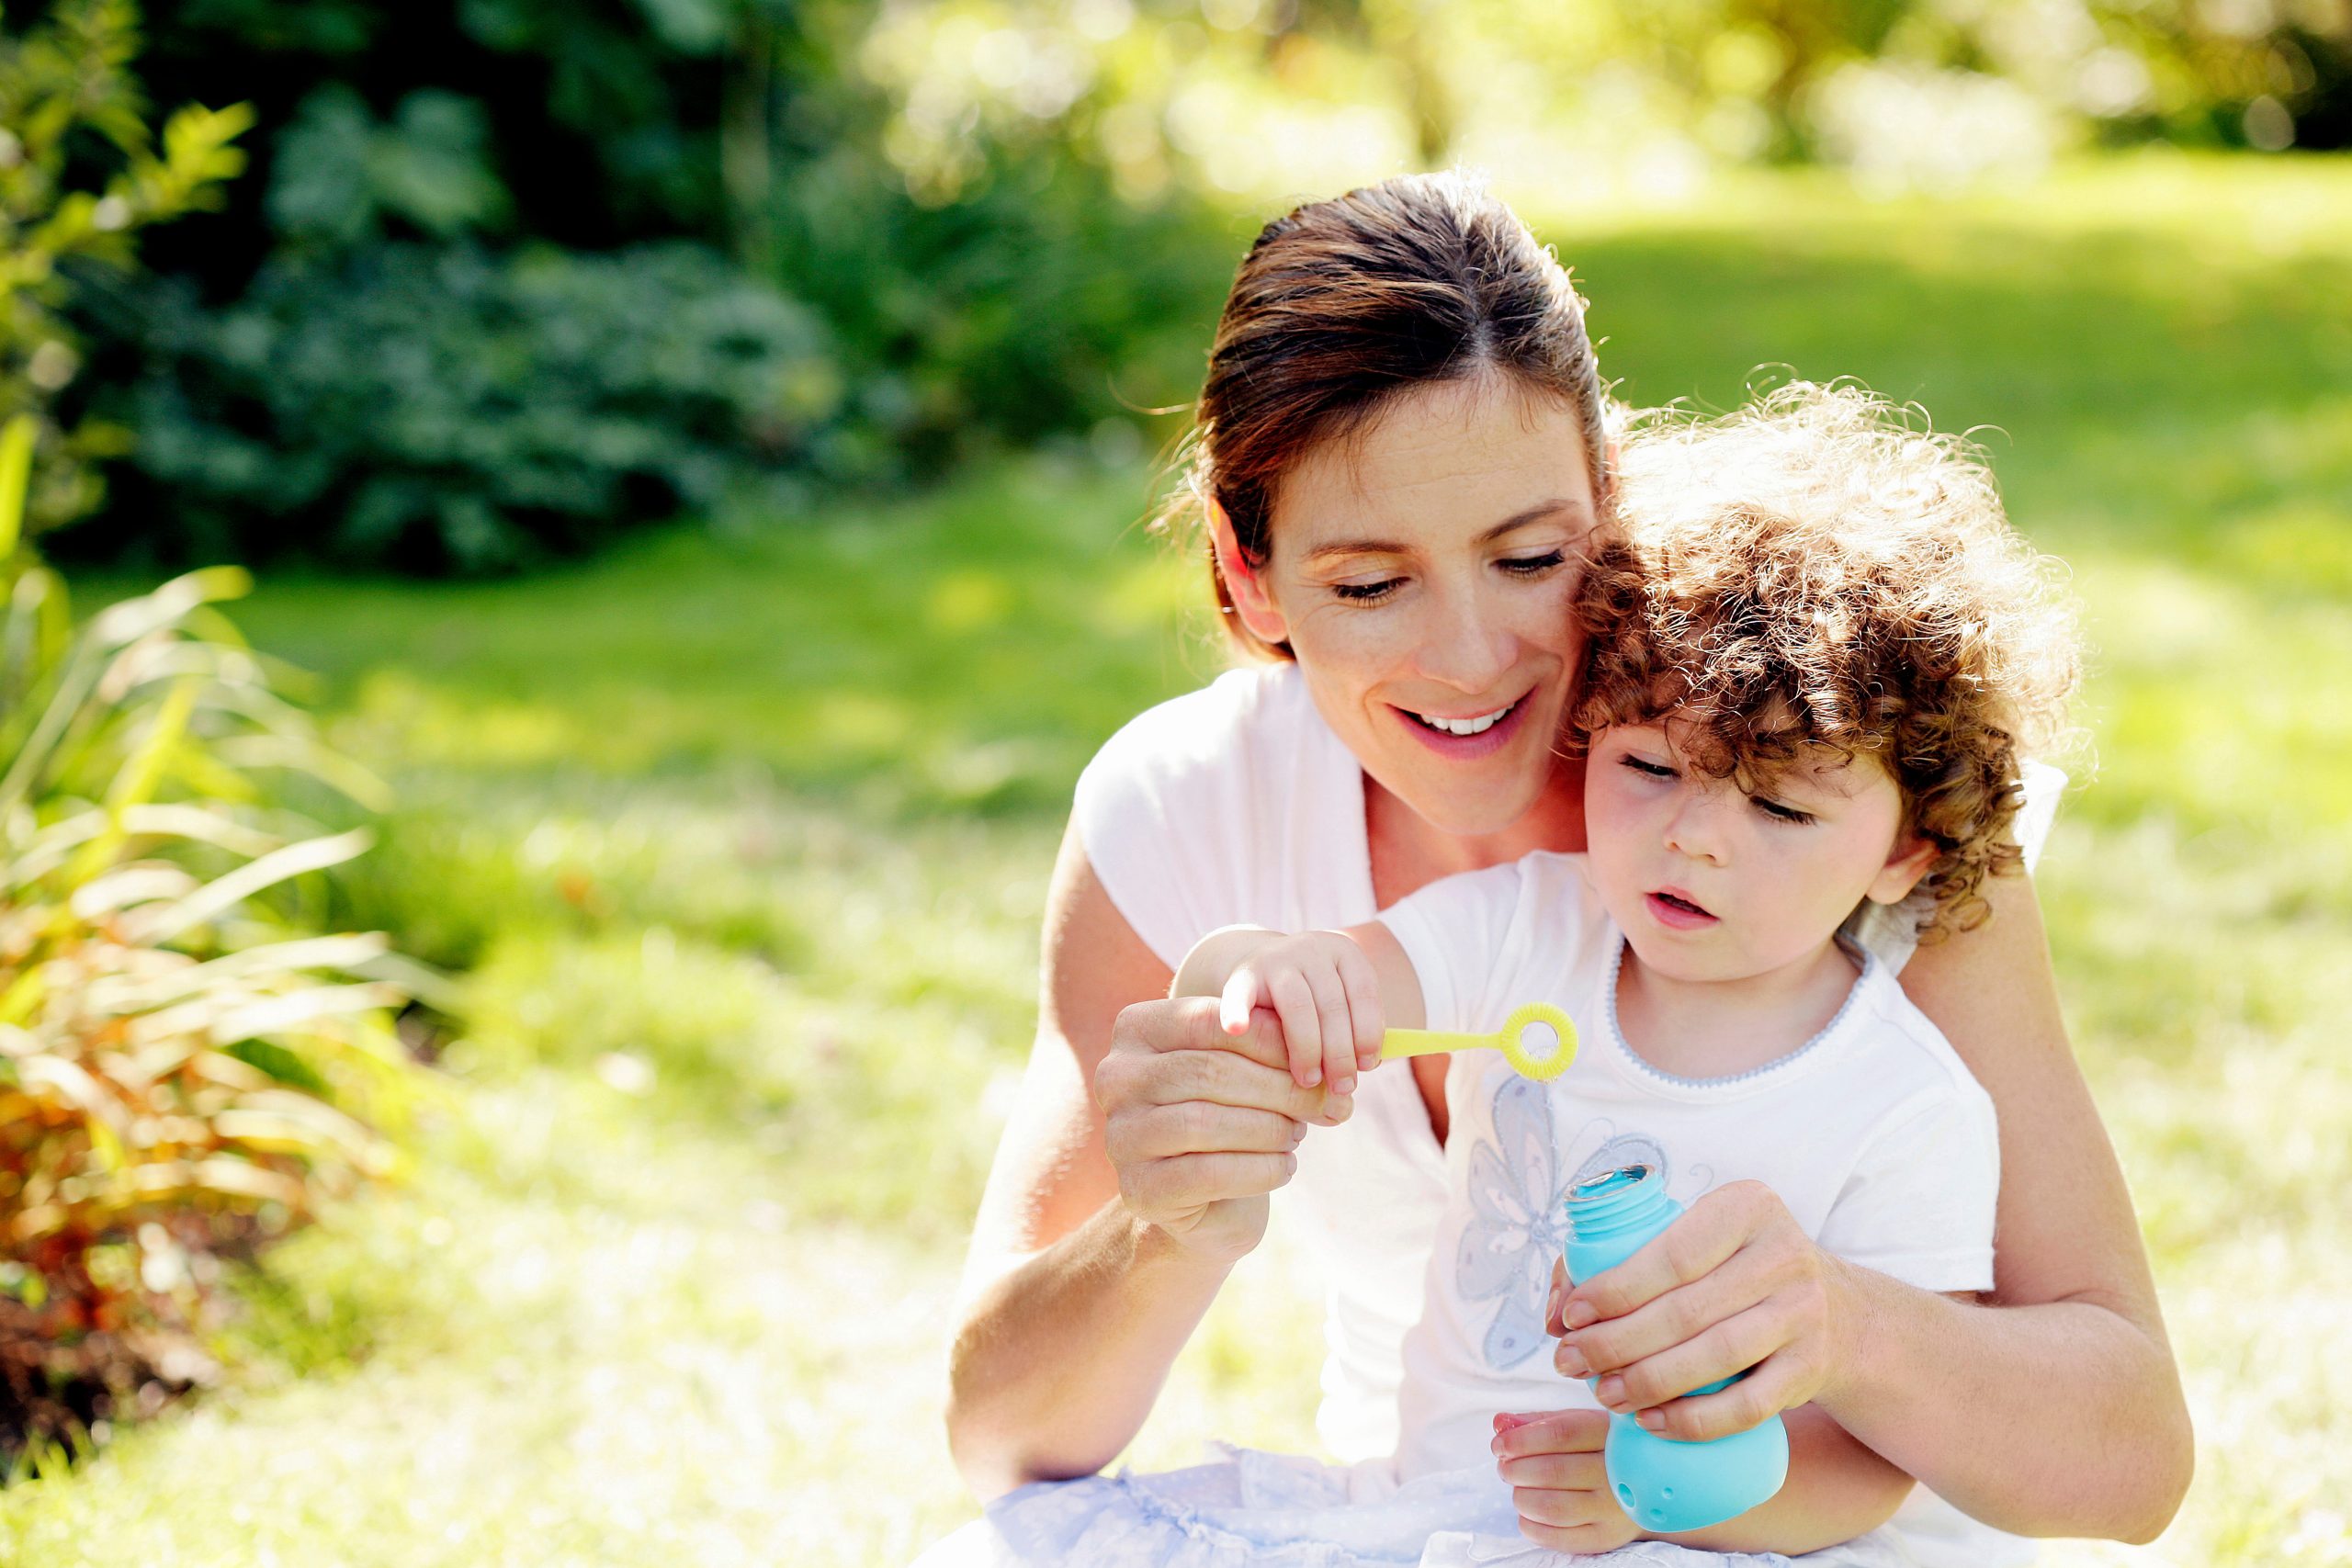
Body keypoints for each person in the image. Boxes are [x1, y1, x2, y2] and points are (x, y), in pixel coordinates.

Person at [939, 173, 2190, 1559]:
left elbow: (2130, 1462)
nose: (1473, 657)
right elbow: (1006, 1445)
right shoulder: (1186, 810)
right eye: (1369, 583)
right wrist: (1167, 1228)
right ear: (1246, 575)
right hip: (1450, 1520)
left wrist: (1849, 1324)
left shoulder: (1830, 783)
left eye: (1530, 555)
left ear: (1608, 495)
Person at [1167, 381, 2078, 1560]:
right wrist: (1281, 986)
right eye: (1650, 766)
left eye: (1778, 809)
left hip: (1698, 1543)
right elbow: (1348, 975)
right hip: (1438, 1521)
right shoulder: (1537, 930)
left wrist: (1650, 1502)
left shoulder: (1906, 1106)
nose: (1694, 836)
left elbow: (1871, 1471)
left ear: (1904, 854)